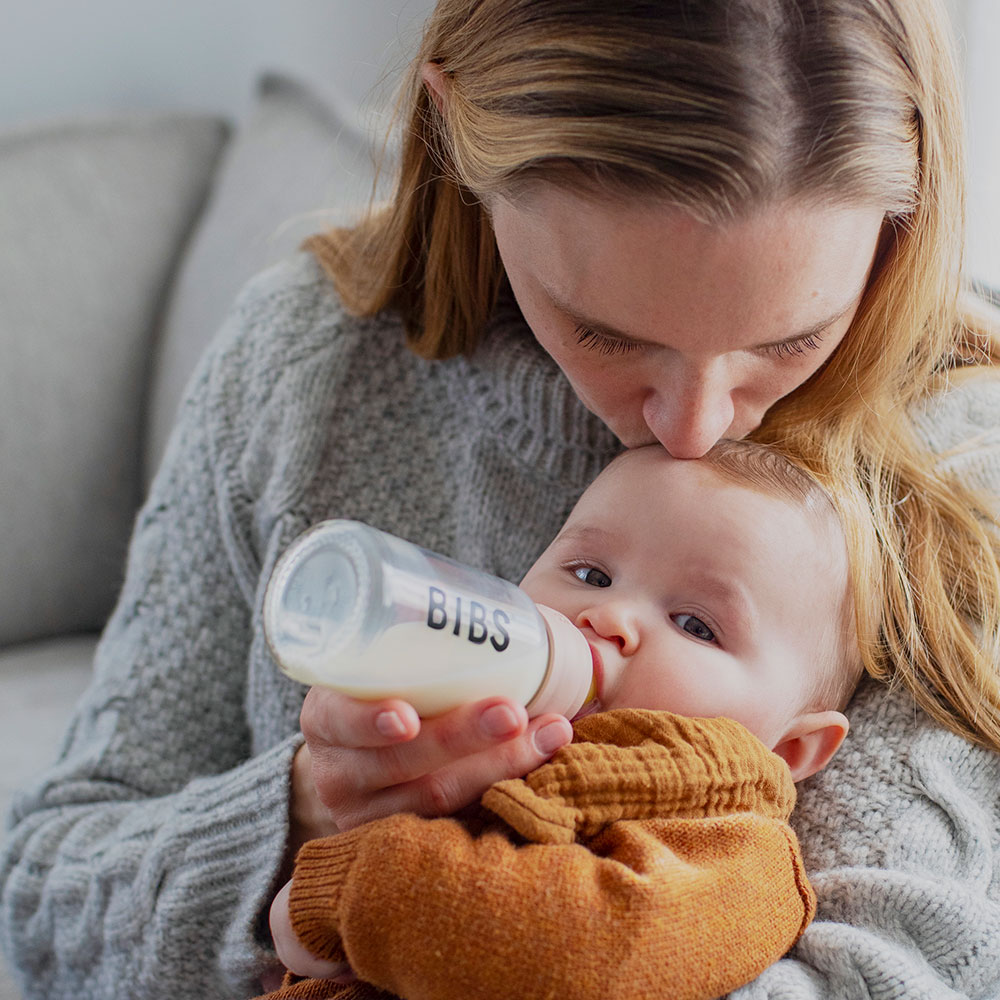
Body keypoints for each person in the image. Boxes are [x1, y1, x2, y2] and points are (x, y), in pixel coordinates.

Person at [2, 1, 1000, 998]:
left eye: (789, 340)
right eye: (606, 332)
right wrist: (302, 813)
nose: (693, 429)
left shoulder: (955, 472)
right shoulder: (303, 368)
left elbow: (894, 975)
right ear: (455, 140)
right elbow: (43, 904)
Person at [261, 439, 863, 1000]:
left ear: (790, 750)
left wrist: (344, 888)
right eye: (591, 575)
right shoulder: (469, 731)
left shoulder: (731, 848)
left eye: (695, 625)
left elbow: (592, 948)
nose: (608, 615)